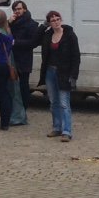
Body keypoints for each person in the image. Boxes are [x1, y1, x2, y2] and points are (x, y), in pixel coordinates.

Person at [35, 9, 81, 142]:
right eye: (52, 20)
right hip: (50, 71)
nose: (55, 22)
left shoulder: (69, 35)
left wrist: (73, 76)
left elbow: (76, 57)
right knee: (53, 101)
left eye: (57, 19)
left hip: (64, 73)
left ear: (61, 20)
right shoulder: (47, 35)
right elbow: (35, 39)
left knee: (64, 102)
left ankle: (67, 131)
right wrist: (43, 26)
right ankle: (57, 127)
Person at [8, 0, 39, 125]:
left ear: (24, 9)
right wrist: (8, 23)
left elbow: (33, 43)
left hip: (24, 59)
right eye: (15, 9)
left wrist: (16, 42)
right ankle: (13, 112)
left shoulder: (32, 24)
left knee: (23, 87)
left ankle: (23, 112)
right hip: (11, 59)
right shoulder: (11, 23)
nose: (17, 11)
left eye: (19, 9)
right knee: (11, 87)